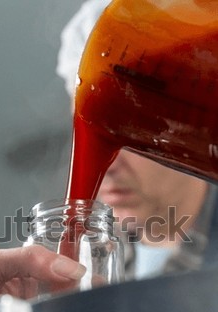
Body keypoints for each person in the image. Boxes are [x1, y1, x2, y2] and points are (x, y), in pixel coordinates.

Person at [57, 0, 218, 280]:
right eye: (89, 130)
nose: (107, 165)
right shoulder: (93, 268)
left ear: (189, 127)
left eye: (125, 132)